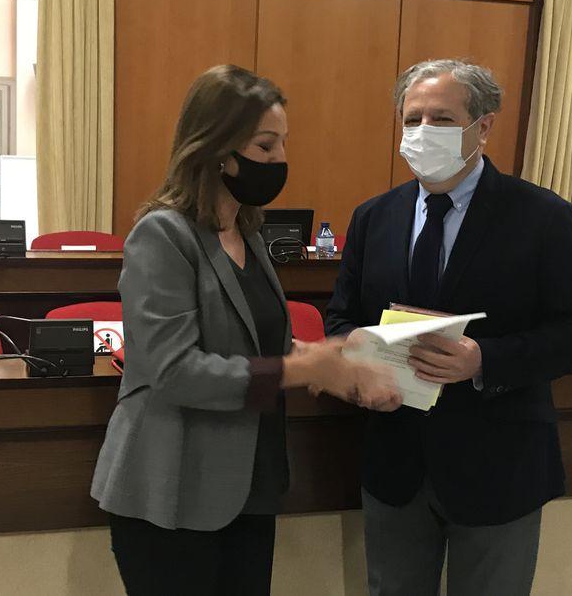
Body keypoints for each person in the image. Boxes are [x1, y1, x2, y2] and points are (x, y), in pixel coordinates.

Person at [92, 64, 402, 596]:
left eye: (283, 143)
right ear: (216, 147)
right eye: (265, 146)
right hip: (173, 492)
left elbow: (263, 348)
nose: (281, 160)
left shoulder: (248, 232)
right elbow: (173, 371)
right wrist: (303, 366)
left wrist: (342, 370)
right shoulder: (162, 235)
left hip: (249, 487)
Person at [325, 59, 572, 595]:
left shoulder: (542, 217)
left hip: (498, 465)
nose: (422, 133)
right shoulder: (373, 217)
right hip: (395, 464)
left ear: (484, 126)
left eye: (441, 119)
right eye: (412, 120)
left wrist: (486, 360)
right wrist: (356, 356)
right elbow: (342, 316)